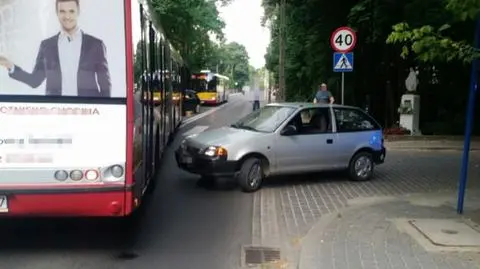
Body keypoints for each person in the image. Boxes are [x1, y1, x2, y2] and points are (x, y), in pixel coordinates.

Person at [0, 0, 111, 97]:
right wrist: (9, 65)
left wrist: (103, 112)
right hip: (55, 112)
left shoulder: (95, 45)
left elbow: (105, 86)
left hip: (87, 113)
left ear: (78, 11)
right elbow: (34, 81)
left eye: (71, 11)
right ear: (56, 13)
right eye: (62, 11)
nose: (67, 16)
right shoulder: (47, 46)